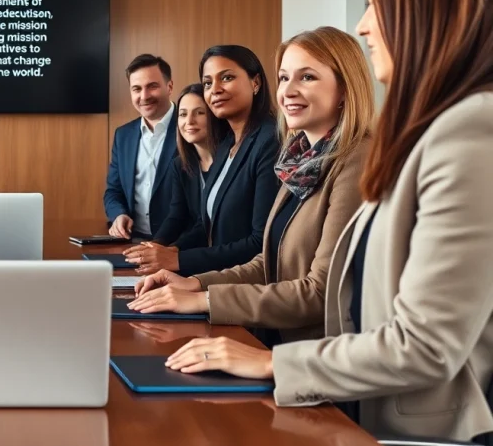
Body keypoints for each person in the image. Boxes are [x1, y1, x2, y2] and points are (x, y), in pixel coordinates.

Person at [162, 0, 493, 443]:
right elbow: (299, 271)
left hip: (412, 428)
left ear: (430, 9)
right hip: (357, 400)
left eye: (375, 3)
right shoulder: (420, 135)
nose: (363, 25)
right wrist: (199, 288)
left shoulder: (469, 132)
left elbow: (425, 346)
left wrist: (272, 363)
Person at [130, 26, 375, 347]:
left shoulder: (357, 159)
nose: (288, 91)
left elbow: (321, 293)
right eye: (284, 78)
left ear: (345, 88)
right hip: (274, 337)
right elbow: (270, 262)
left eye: (307, 77)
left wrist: (204, 299)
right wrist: (195, 283)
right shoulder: (299, 158)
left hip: (312, 354)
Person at [124, 45, 281, 276]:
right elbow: (206, 225)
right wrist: (166, 250)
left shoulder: (270, 141)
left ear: (255, 82)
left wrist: (177, 259)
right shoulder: (227, 144)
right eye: (208, 83)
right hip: (217, 276)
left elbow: (261, 243)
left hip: (246, 283)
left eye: (226, 78)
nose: (215, 89)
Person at [104, 54, 178, 239]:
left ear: (169, 87)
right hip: (134, 240)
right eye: (136, 89)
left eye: (152, 86)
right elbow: (113, 191)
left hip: (180, 243)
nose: (144, 96)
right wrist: (118, 214)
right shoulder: (123, 135)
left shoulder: (191, 127)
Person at [147, 83, 224, 251]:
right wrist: (155, 245)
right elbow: (177, 215)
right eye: (183, 114)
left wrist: (173, 249)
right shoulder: (179, 165)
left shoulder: (229, 160)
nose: (189, 121)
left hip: (224, 252)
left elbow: (205, 223)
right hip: (196, 251)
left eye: (199, 113)